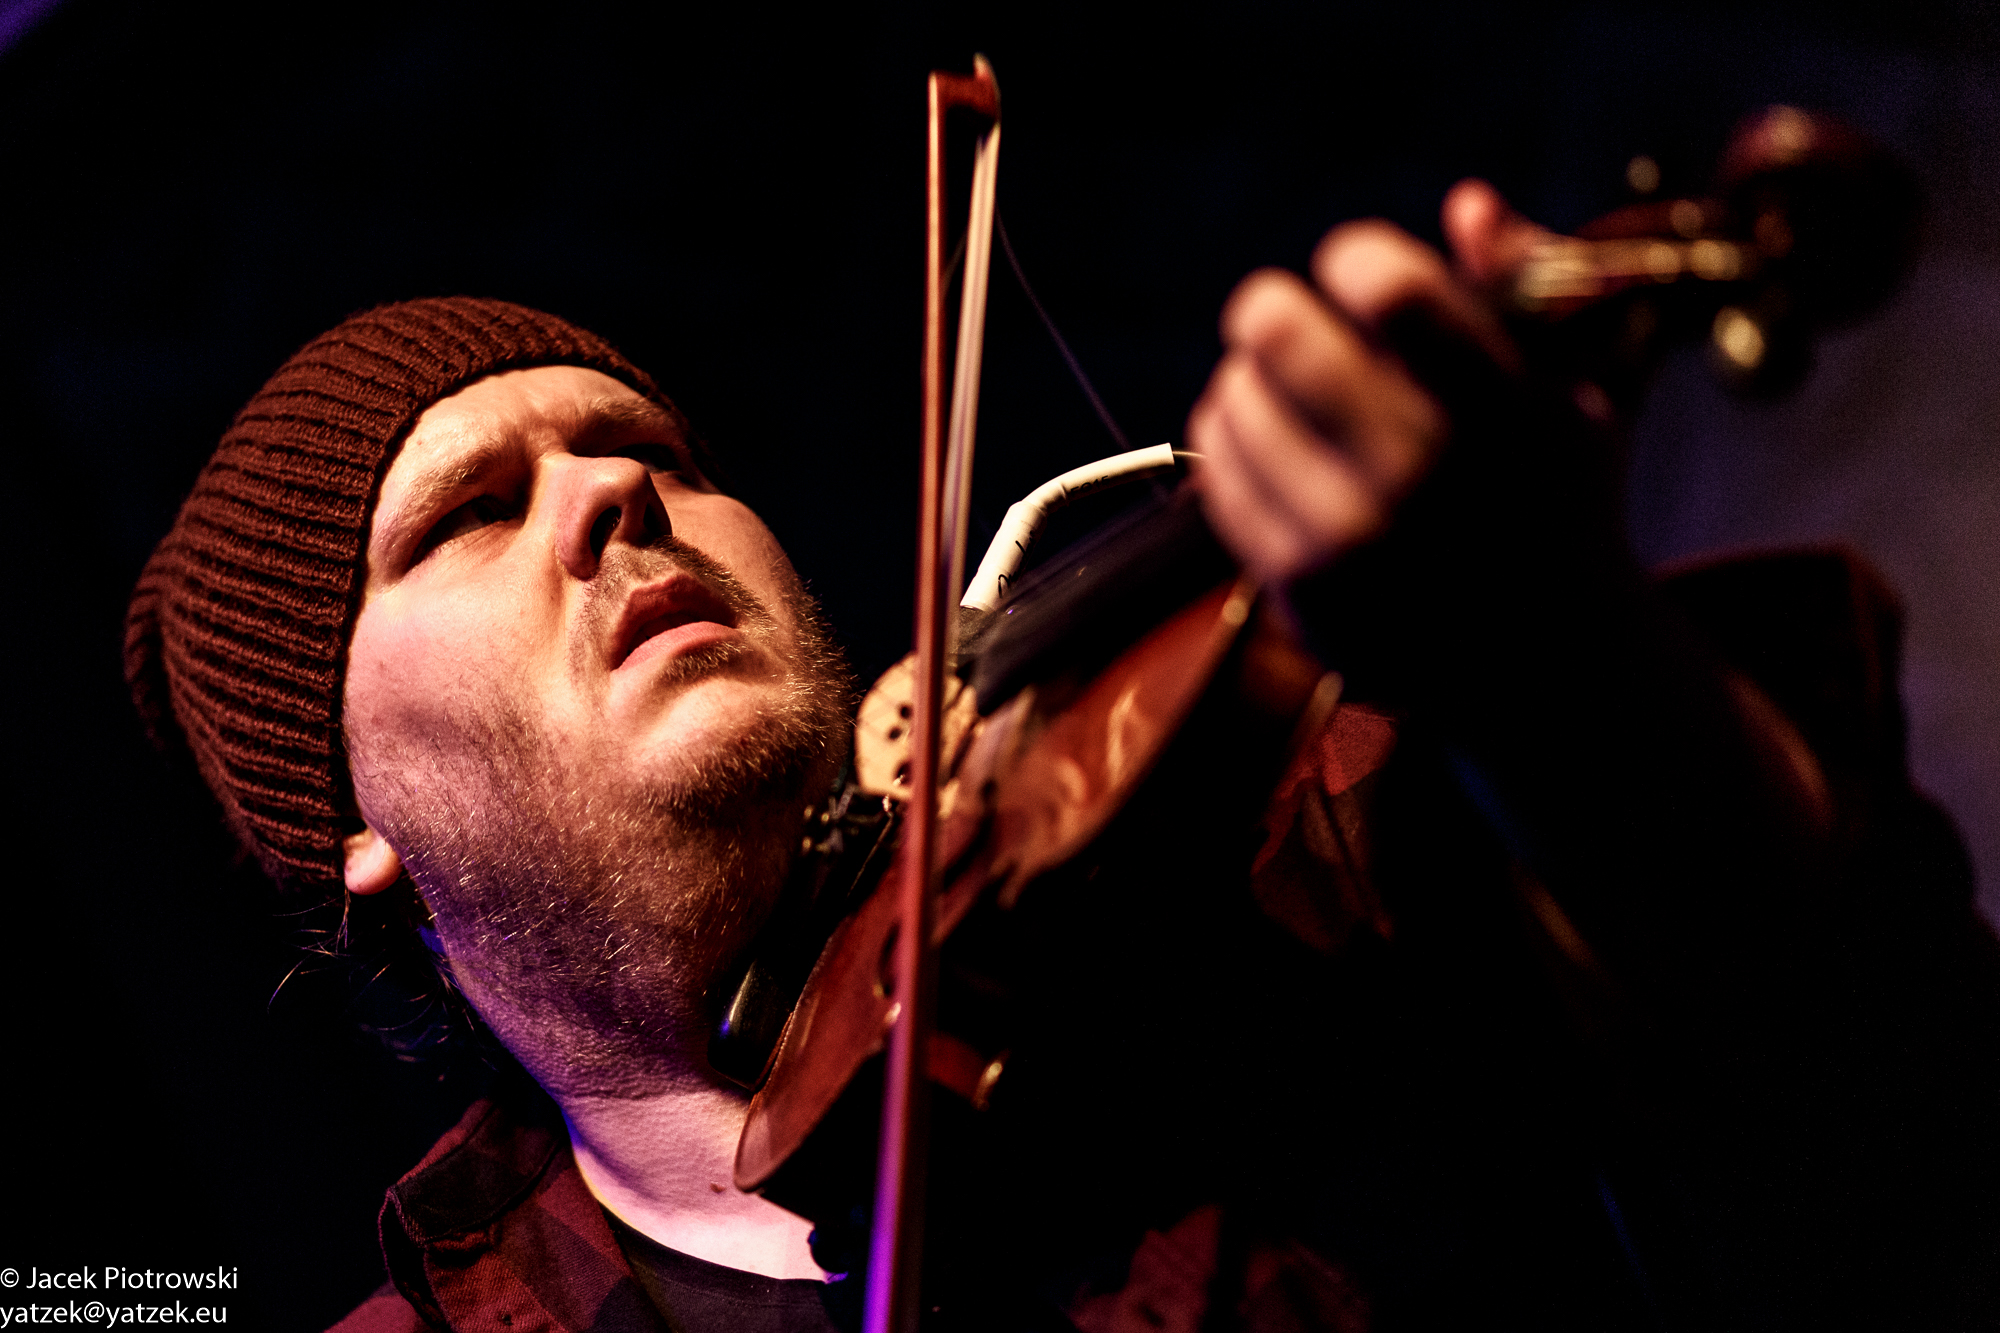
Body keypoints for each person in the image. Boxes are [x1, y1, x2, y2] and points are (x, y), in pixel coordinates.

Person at [125, 184, 2000, 1332]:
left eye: (656, 451)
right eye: (469, 512)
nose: (619, 494)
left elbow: (1877, 1087)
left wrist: (1562, 655)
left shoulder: (1263, 863)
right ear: (353, 827)